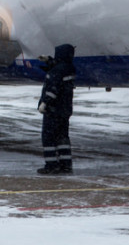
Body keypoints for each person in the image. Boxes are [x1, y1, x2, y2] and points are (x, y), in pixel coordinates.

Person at [37, 43, 76, 174]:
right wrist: (48, 60)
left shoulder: (57, 71)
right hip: (64, 110)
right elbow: (60, 67)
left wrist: (45, 103)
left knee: (48, 138)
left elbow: (52, 90)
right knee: (62, 137)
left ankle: (51, 165)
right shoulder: (69, 68)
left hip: (53, 110)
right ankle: (66, 165)